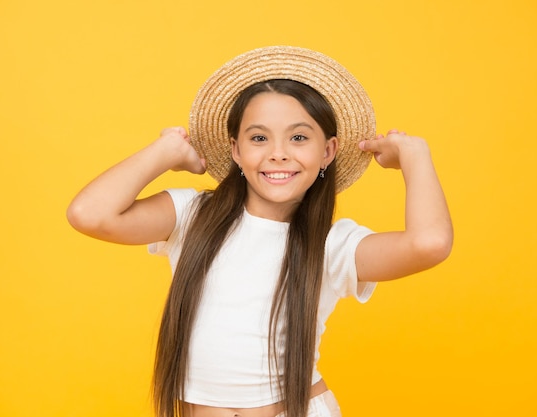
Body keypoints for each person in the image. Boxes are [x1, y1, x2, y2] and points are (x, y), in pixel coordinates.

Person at [66, 46, 453, 417]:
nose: (278, 153)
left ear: (328, 151)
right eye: (259, 138)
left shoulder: (332, 245)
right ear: (236, 150)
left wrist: (415, 158)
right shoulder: (191, 215)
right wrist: (164, 152)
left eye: (299, 137)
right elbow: (89, 214)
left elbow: (429, 243)